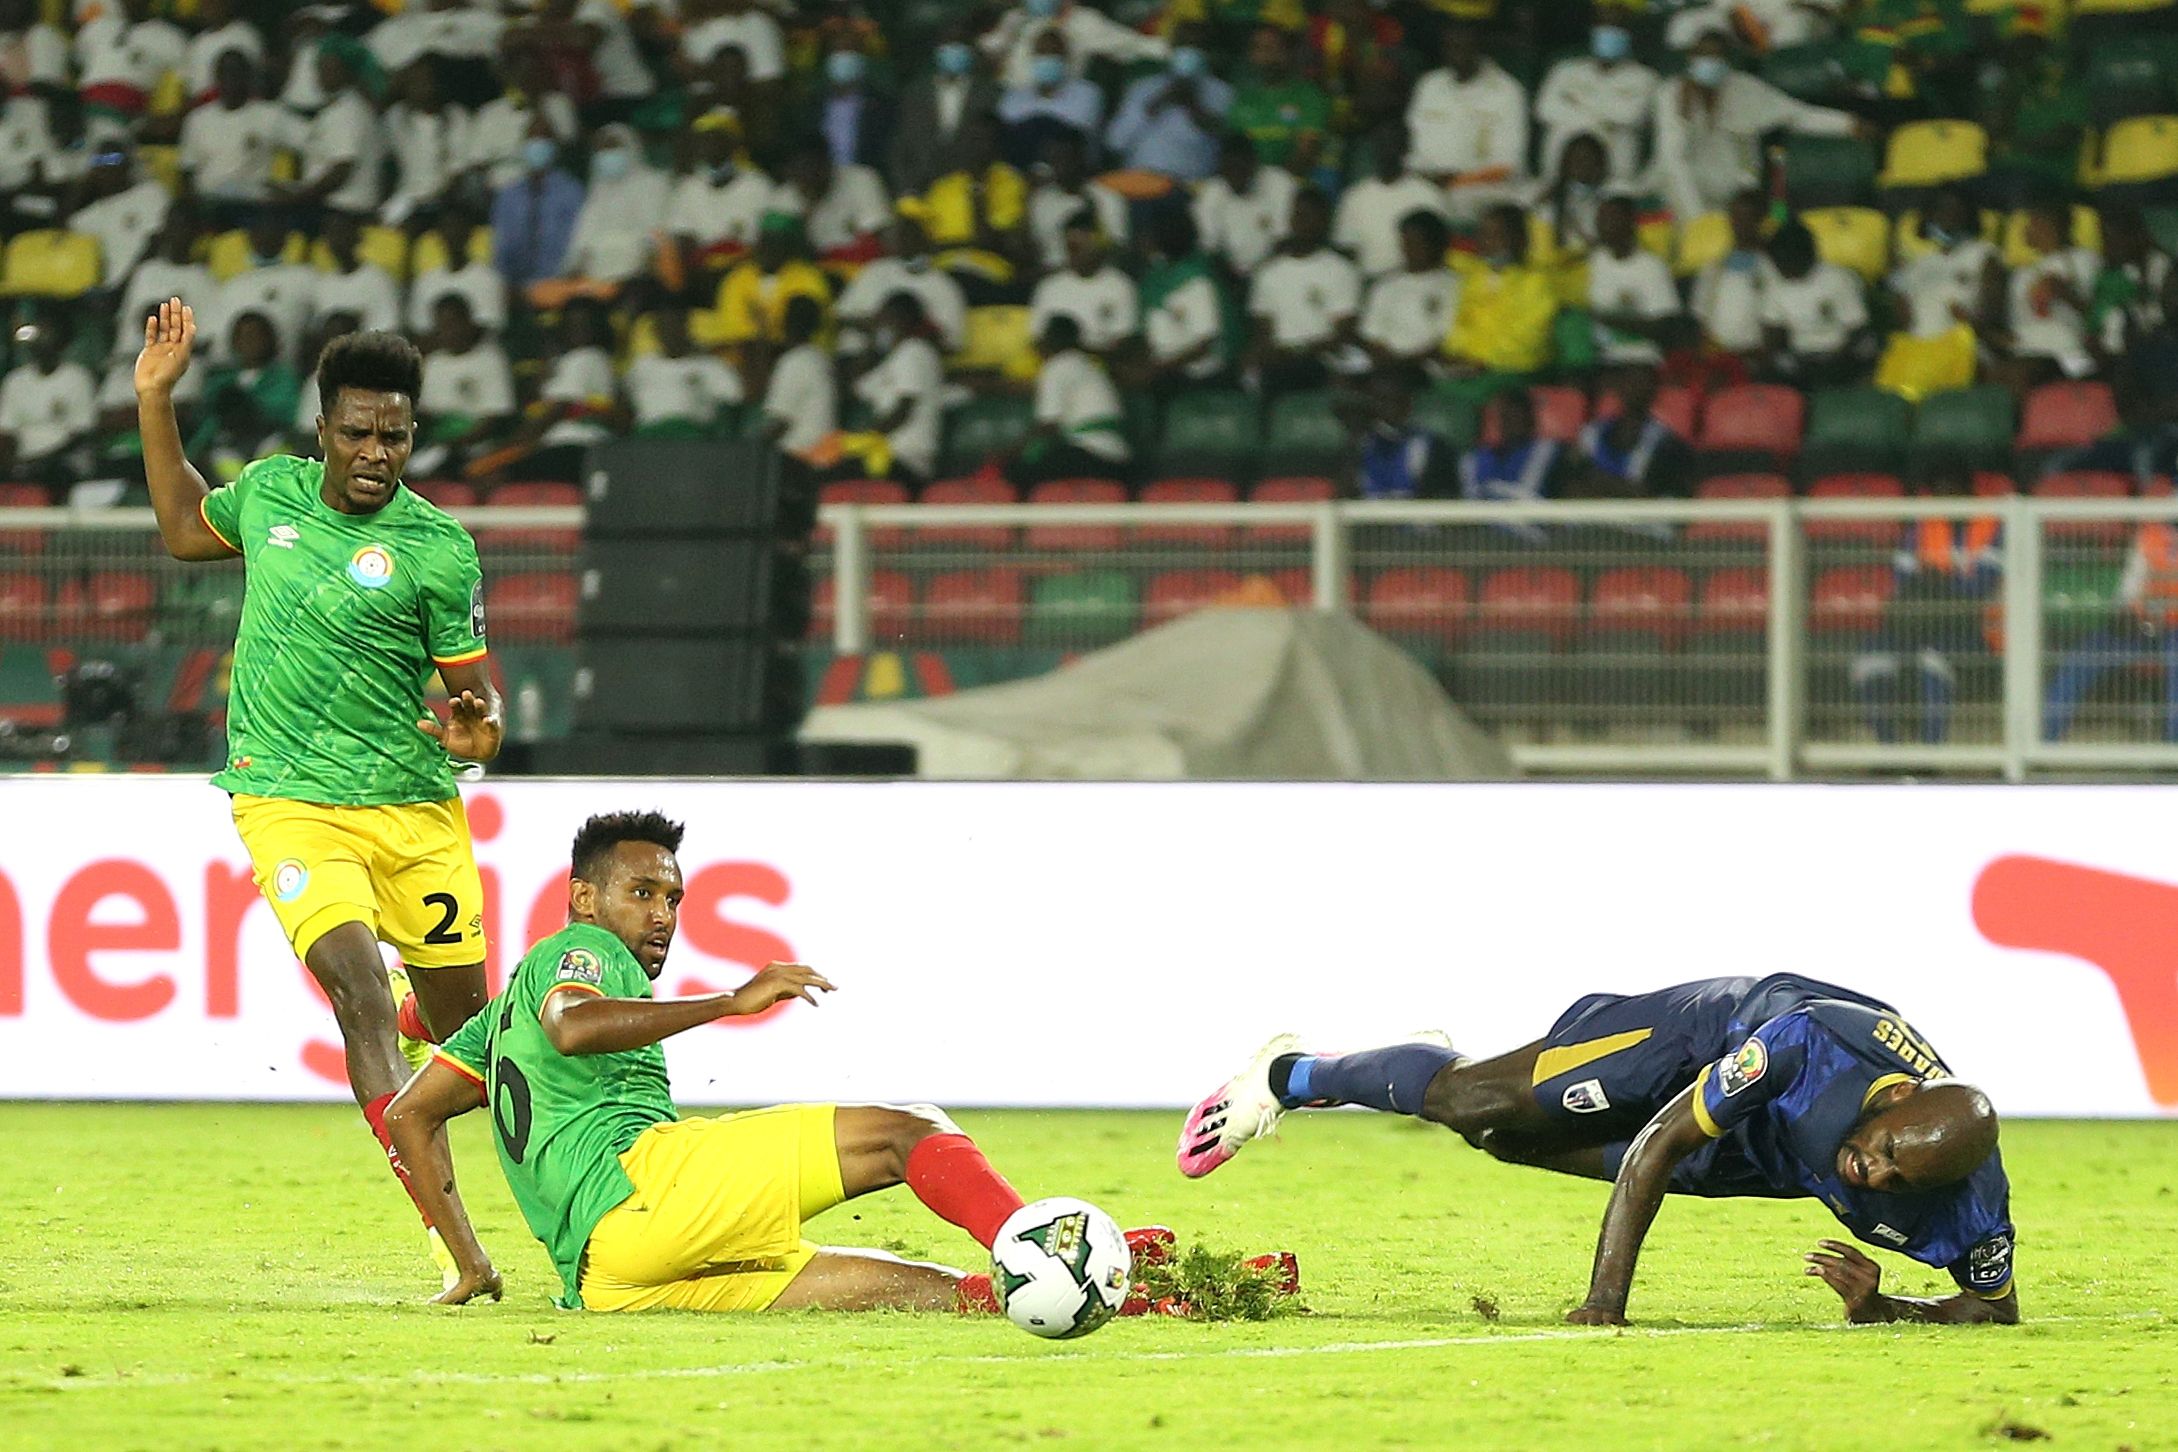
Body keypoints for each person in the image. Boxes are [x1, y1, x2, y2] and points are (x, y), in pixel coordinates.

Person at [387, 810, 1199, 1312]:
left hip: (606, 1279)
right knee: (905, 1131)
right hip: (642, 1191)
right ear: (585, 899)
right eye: (643, 893)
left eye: (673, 898)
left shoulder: (497, 1019)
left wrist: (473, 1263)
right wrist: (727, 1002)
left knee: (935, 1294)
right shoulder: (585, 949)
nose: (663, 913)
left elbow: (408, 1114)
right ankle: (1038, 1248)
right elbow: (572, 1024)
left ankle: (1096, 1294)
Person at [133, 299, 500, 1286]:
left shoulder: (439, 549)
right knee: (355, 999)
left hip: (414, 811)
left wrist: (481, 730)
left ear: (413, 436)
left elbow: (476, 697)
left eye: (395, 435)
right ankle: (453, 1243)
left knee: (486, 1051)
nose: (377, 452)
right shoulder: (267, 496)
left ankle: (432, 1022)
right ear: (323, 432)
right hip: (287, 795)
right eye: (358, 433)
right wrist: (155, 401)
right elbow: (177, 529)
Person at [1179, 971, 2019, 1327]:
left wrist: (1882, 1309)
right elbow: (1662, 1138)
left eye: (1892, 1181)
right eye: (1877, 1151)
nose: (1866, 1173)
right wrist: (1605, 1303)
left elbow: (1993, 1310)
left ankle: (1428, 1061)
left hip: (1761, 1156)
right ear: (1896, 1101)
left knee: (1503, 1141)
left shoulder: (1973, 1209)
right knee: (1476, 1099)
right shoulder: (1812, 1048)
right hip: (1706, 1037)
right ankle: (1289, 1075)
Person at [1854, 463, 1999, 746]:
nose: (1948, 499)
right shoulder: (1922, 527)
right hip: (1919, 625)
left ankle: (1932, 752)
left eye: (1955, 492)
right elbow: (1902, 585)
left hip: (1976, 632)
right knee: (1871, 657)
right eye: (1941, 493)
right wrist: (1938, 586)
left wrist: (1932, 582)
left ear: (1969, 493)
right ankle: (1890, 751)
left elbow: (1979, 589)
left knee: (1934, 660)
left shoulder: (1994, 526)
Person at [1651, 30, 1857, 223]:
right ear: (1691, 58)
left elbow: (1796, 115)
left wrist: (1847, 124)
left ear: (1727, 61)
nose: (1710, 63)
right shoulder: (1671, 94)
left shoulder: (1744, 88)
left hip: (1737, 197)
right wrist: (1698, 220)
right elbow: (1672, 159)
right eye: (1705, 56)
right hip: (1686, 196)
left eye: (1717, 56)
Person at [2044, 521, 2178, 743]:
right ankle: (2044, 739)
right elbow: (2130, 589)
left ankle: (2173, 752)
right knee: (2081, 660)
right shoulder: (2152, 534)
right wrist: (2135, 613)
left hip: (2173, 630)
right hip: (2141, 625)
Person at [1404, 21, 1528, 225]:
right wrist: (1428, 177)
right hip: (1428, 186)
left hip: (1484, 190)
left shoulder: (1507, 91)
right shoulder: (1429, 85)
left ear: (1479, 46)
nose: (1456, 53)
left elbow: (1508, 165)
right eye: (1450, 47)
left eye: (1463, 46)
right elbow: (1414, 150)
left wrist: (1457, 181)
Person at [1247, 186, 1361, 394]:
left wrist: (1300, 351)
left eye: (1310, 217)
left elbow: (1344, 333)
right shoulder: (1268, 272)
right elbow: (1263, 330)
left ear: (1324, 222)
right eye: (1298, 215)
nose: (1303, 223)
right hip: (1280, 361)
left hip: (1324, 360)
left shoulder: (1341, 270)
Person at [1534, 5, 1658, 185]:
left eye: (1617, 27)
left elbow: (1630, 116)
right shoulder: (1565, 70)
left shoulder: (1645, 78)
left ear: (1629, 33)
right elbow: (1545, 109)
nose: (1609, 33)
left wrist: (1577, 103)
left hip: (1615, 181)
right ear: (1593, 31)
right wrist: (1606, 118)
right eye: (1604, 26)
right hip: (1557, 180)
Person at [1445, 203, 1559, 383]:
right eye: (1483, 234)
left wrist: (1483, 361)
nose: (1487, 241)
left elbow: (1528, 340)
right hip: (1466, 367)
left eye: (1496, 235)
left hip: (1513, 371)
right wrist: (1454, 353)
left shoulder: (1537, 283)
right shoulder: (1473, 276)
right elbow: (1460, 324)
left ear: (1520, 240)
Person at [1104, 26, 1230, 183]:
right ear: (1171, 49)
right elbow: (1115, 142)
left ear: (1206, 53)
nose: (1188, 51)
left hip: (1191, 184)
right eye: (1183, 45)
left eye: (1195, 46)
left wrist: (1193, 105)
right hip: (1141, 180)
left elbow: (1225, 142)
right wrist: (1156, 104)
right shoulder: (1143, 88)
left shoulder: (1221, 92)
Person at [1016, 313, 1128, 484]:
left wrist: (1010, 452)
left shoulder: (1057, 365)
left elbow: (1048, 426)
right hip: (1117, 457)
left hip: (1091, 455)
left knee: (1015, 473)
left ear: (1050, 340)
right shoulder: (1086, 364)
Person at [888, 25, 999, 196]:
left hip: (972, 191)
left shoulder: (990, 93)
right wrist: (905, 188)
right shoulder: (915, 93)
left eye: (960, 44)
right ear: (937, 51)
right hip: (921, 188)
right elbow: (902, 144)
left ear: (971, 51)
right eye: (948, 44)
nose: (954, 51)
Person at [1758, 218, 1870, 386]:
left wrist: (1831, 360)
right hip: (1799, 357)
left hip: (1838, 353)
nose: (1780, 267)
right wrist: (1780, 355)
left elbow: (1857, 330)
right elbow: (1772, 331)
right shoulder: (1775, 285)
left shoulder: (1838, 279)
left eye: (1784, 261)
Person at [1333, 123, 1447, 280]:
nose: (1386, 149)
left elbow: (1441, 250)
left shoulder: (1428, 195)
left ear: (1406, 147)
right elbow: (1346, 248)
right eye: (1381, 143)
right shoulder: (1355, 196)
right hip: (1367, 282)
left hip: (1415, 281)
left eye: (1392, 143)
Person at [1585, 193, 1683, 370]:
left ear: (1630, 222)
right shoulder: (1595, 261)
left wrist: (1609, 319)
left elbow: (1665, 326)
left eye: (1609, 218)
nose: (1600, 224)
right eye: (1599, 218)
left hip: (1640, 361)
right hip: (1600, 360)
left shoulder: (1651, 267)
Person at [0, 317, 97, 488]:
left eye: (47, 340)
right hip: (22, 460)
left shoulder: (77, 378)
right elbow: (7, 431)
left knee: (52, 473)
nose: (42, 346)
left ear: (60, 345)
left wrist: (39, 461)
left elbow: (81, 434)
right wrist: (11, 462)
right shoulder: (15, 380)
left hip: (64, 461)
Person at [489, 119, 584, 291]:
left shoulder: (572, 191)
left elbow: (576, 241)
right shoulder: (508, 195)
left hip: (557, 281)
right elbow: (500, 243)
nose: (537, 145)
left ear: (555, 146)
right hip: (513, 284)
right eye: (532, 139)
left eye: (544, 139)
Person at [1030, 210, 1139, 358]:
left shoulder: (1120, 286)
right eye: (1069, 247)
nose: (1072, 254)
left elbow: (1123, 343)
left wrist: (1079, 351)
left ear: (1097, 244)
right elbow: (1038, 338)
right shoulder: (1049, 286)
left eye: (1078, 247)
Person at [1458, 388, 1560, 545]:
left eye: (1518, 415)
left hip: (1530, 545)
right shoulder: (1471, 460)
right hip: (1479, 544)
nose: (1512, 421)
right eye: (1506, 416)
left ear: (1530, 418)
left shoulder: (1550, 452)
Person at [625, 304, 743, 437]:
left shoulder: (711, 365)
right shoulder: (642, 366)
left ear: (687, 330)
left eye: (676, 329)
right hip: (647, 434)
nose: (671, 334)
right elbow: (625, 402)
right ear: (657, 334)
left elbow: (734, 401)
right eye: (665, 329)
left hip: (694, 435)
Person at [1192, 130, 1296, 279]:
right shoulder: (1212, 191)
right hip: (1229, 277)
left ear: (1254, 163)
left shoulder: (1280, 183)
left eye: (1240, 169)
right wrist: (1233, 278)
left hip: (1275, 271)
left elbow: (1285, 242)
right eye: (1228, 170)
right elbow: (1210, 248)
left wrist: (1258, 276)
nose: (1234, 176)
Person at [1361, 210, 1458, 368]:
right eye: (1406, 242)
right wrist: (1390, 361)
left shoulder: (1453, 285)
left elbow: (1444, 340)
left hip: (1427, 366)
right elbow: (1372, 337)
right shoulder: (1385, 285)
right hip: (1386, 364)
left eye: (1418, 242)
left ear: (1436, 244)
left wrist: (1407, 362)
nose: (1410, 249)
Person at [995, 28, 1104, 169]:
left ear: (1066, 57)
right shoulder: (1013, 97)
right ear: (1033, 58)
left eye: (1054, 53)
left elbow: (1073, 138)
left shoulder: (1088, 93)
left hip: (1070, 175)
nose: (1047, 58)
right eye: (1042, 53)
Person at [1227, 24, 1329, 171]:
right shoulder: (1242, 98)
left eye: (1271, 48)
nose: (1265, 56)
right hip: (1250, 184)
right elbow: (1235, 151)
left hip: (1295, 183)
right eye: (1259, 48)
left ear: (1288, 52)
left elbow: (1306, 151)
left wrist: (1279, 181)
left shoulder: (1309, 95)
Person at [1350, 366, 1458, 501]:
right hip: (1367, 518)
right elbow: (1345, 494)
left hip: (1415, 518)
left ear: (1408, 403)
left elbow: (1438, 495)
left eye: (1394, 400)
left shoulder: (1430, 445)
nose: (1386, 407)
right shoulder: (1359, 444)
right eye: (1380, 400)